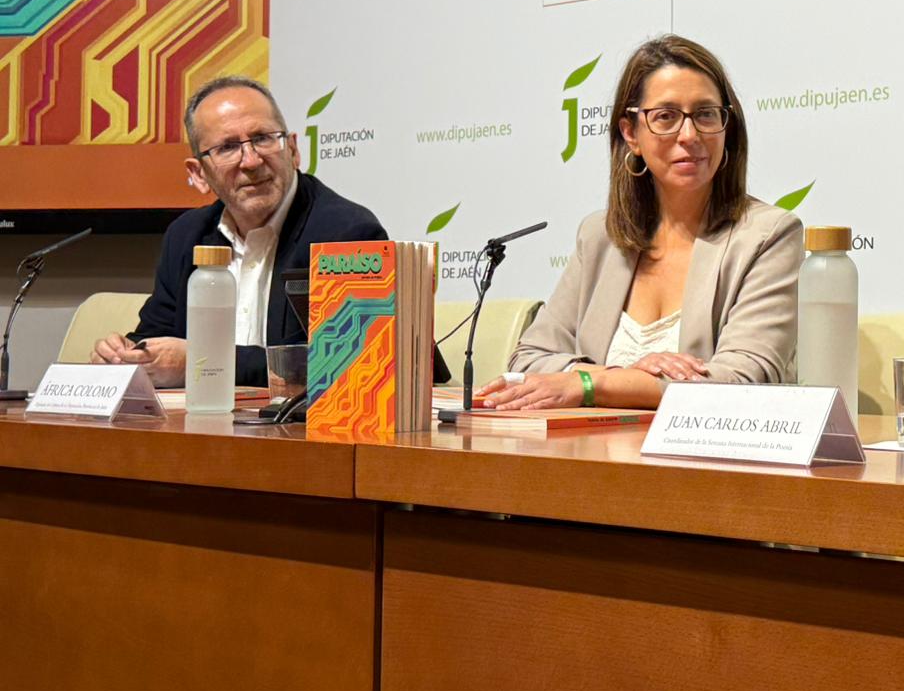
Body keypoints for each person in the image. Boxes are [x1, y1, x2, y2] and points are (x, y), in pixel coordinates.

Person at [479, 35, 802, 410]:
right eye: (665, 116)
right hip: (592, 456)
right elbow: (530, 358)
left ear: (727, 128)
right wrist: (622, 374)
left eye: (705, 114)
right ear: (631, 134)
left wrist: (591, 385)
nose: (690, 135)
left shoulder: (768, 235)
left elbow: (742, 380)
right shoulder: (599, 236)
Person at [92, 76, 445, 388]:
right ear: (199, 173)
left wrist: (207, 362)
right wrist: (127, 355)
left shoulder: (344, 232)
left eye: (262, 139)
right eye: (228, 148)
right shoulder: (186, 236)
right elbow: (158, 336)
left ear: (292, 149)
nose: (251, 160)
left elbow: (361, 363)